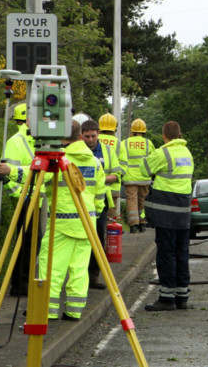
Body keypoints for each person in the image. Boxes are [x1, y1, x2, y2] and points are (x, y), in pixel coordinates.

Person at [1, 120, 106, 321]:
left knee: (52, 268)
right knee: (79, 270)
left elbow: (35, 174)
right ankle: (74, 311)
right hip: (87, 224)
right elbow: (100, 196)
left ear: (63, 137)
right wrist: (94, 214)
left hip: (62, 224)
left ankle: (47, 310)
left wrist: (10, 171)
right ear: (80, 136)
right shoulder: (94, 161)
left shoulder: (60, 161)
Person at [143, 121, 194, 311]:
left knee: (166, 254)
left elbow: (144, 169)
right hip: (184, 213)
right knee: (182, 253)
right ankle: (182, 296)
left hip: (166, 213)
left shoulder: (162, 152)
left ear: (164, 135)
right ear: (180, 135)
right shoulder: (187, 153)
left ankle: (166, 298)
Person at [1, 103, 37, 297]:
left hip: (36, 199)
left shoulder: (33, 140)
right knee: (26, 243)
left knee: (33, 243)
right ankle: (20, 284)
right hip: (25, 199)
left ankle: (24, 282)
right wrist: (21, 196)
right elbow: (8, 177)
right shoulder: (17, 141)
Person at [81, 119, 122, 289]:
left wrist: (99, 179)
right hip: (80, 201)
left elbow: (118, 173)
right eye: (86, 136)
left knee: (97, 238)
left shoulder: (107, 151)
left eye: (92, 136)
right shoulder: (78, 150)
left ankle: (94, 276)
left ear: (98, 134)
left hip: (100, 201)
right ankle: (80, 277)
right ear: (81, 136)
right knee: (81, 239)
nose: (90, 139)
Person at [121, 119, 155, 233]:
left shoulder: (125, 143)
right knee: (143, 200)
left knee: (131, 200)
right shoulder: (148, 143)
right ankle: (143, 223)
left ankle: (133, 224)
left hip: (130, 178)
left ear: (132, 130)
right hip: (144, 177)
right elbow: (153, 159)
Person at [97, 113, 126, 223]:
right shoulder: (119, 144)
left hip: (94, 187)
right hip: (112, 188)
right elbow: (123, 166)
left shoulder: (93, 140)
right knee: (110, 218)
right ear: (115, 128)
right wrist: (116, 177)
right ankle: (109, 239)